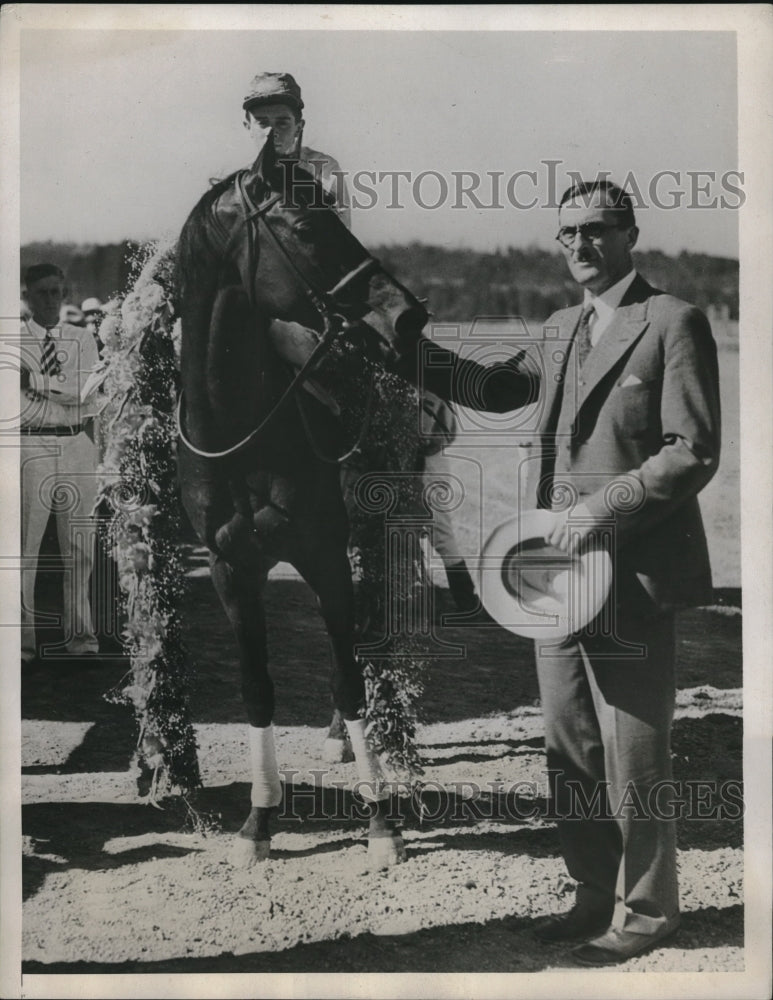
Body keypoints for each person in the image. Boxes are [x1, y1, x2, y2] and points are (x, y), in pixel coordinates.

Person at [524, 180, 721, 965]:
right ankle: (590, 893)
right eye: (566, 231)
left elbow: (691, 450)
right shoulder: (556, 327)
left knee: (636, 746)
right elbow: (523, 422)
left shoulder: (672, 322)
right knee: (566, 740)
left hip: (634, 571)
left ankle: (646, 912)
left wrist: (597, 511)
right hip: (551, 579)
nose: (579, 244)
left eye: (596, 229)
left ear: (630, 232)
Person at [20, 263, 102, 663]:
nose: (50, 300)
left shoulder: (82, 337)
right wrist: (70, 393)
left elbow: (88, 389)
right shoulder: (14, 341)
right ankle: (22, 642)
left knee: (80, 547)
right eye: (41, 294)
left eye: (55, 292)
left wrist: (38, 384)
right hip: (31, 447)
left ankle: (81, 638)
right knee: (26, 549)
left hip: (76, 444)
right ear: (27, 297)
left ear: (65, 293)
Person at [242, 71, 350, 227]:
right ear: (248, 127)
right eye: (262, 122)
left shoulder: (323, 171)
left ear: (298, 128)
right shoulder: (241, 183)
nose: (271, 132)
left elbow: (339, 236)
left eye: (282, 123)